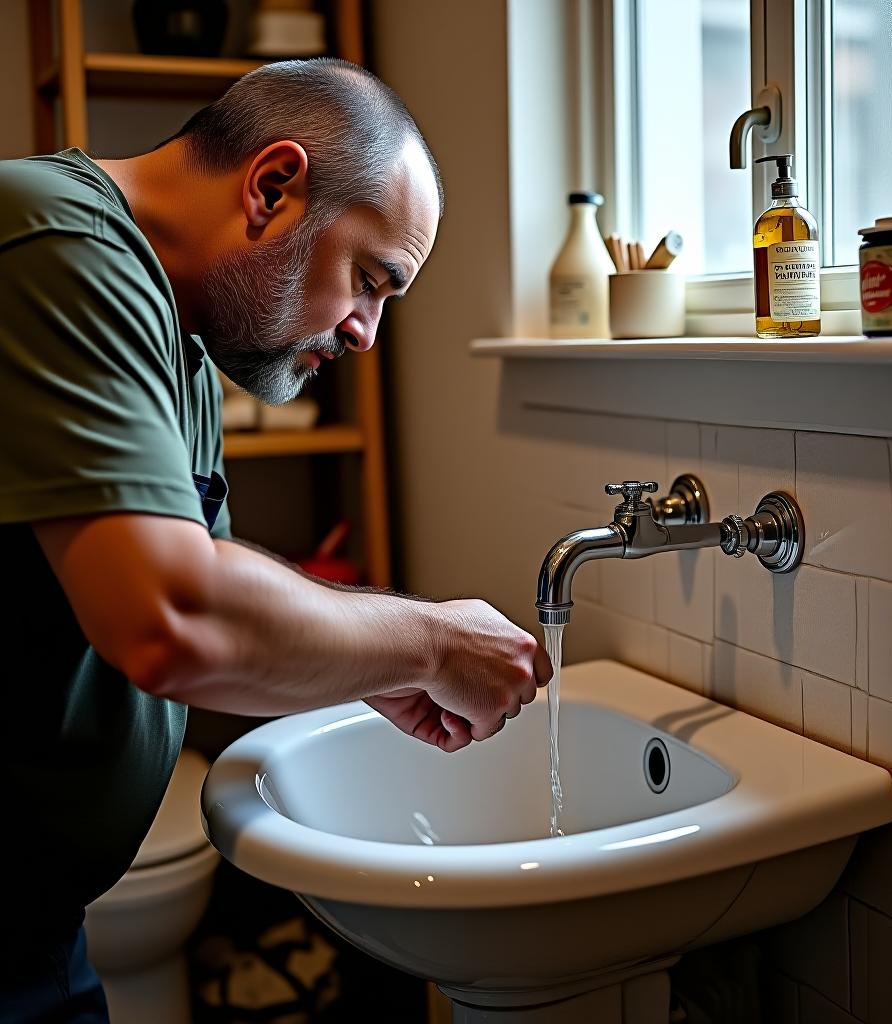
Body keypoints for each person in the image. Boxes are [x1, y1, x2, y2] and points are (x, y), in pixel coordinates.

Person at [0, 58, 551, 1020]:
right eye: (370, 280)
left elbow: (214, 577)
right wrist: (430, 641)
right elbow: (176, 618)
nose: (368, 333)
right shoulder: (54, 243)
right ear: (271, 187)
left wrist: (372, 666)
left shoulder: (177, 329)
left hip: (36, 929)